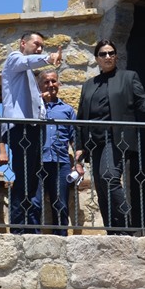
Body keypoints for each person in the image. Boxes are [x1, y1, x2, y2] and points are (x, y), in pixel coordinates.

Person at [75, 40, 145, 233]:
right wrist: (80, 146)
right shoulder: (89, 85)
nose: (107, 57)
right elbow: (81, 117)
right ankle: (113, 230)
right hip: (95, 141)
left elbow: (141, 99)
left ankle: (125, 224)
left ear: (116, 56)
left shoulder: (128, 77)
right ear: (97, 59)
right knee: (100, 187)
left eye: (111, 53)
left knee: (109, 177)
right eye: (103, 54)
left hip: (116, 138)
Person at [0, 32, 62, 231]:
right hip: (22, 130)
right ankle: (19, 229)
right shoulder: (14, 59)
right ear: (23, 43)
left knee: (32, 181)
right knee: (23, 182)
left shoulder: (27, 75)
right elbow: (26, 61)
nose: (39, 48)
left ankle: (32, 229)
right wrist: (48, 58)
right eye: (36, 44)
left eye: (42, 47)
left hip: (33, 130)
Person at [36, 69, 84, 235]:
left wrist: (78, 163)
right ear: (40, 85)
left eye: (54, 81)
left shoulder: (67, 110)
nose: (51, 85)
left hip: (61, 162)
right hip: (38, 161)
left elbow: (75, 139)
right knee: (35, 202)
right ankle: (33, 237)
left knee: (61, 203)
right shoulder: (34, 107)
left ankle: (61, 239)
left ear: (58, 83)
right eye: (46, 82)